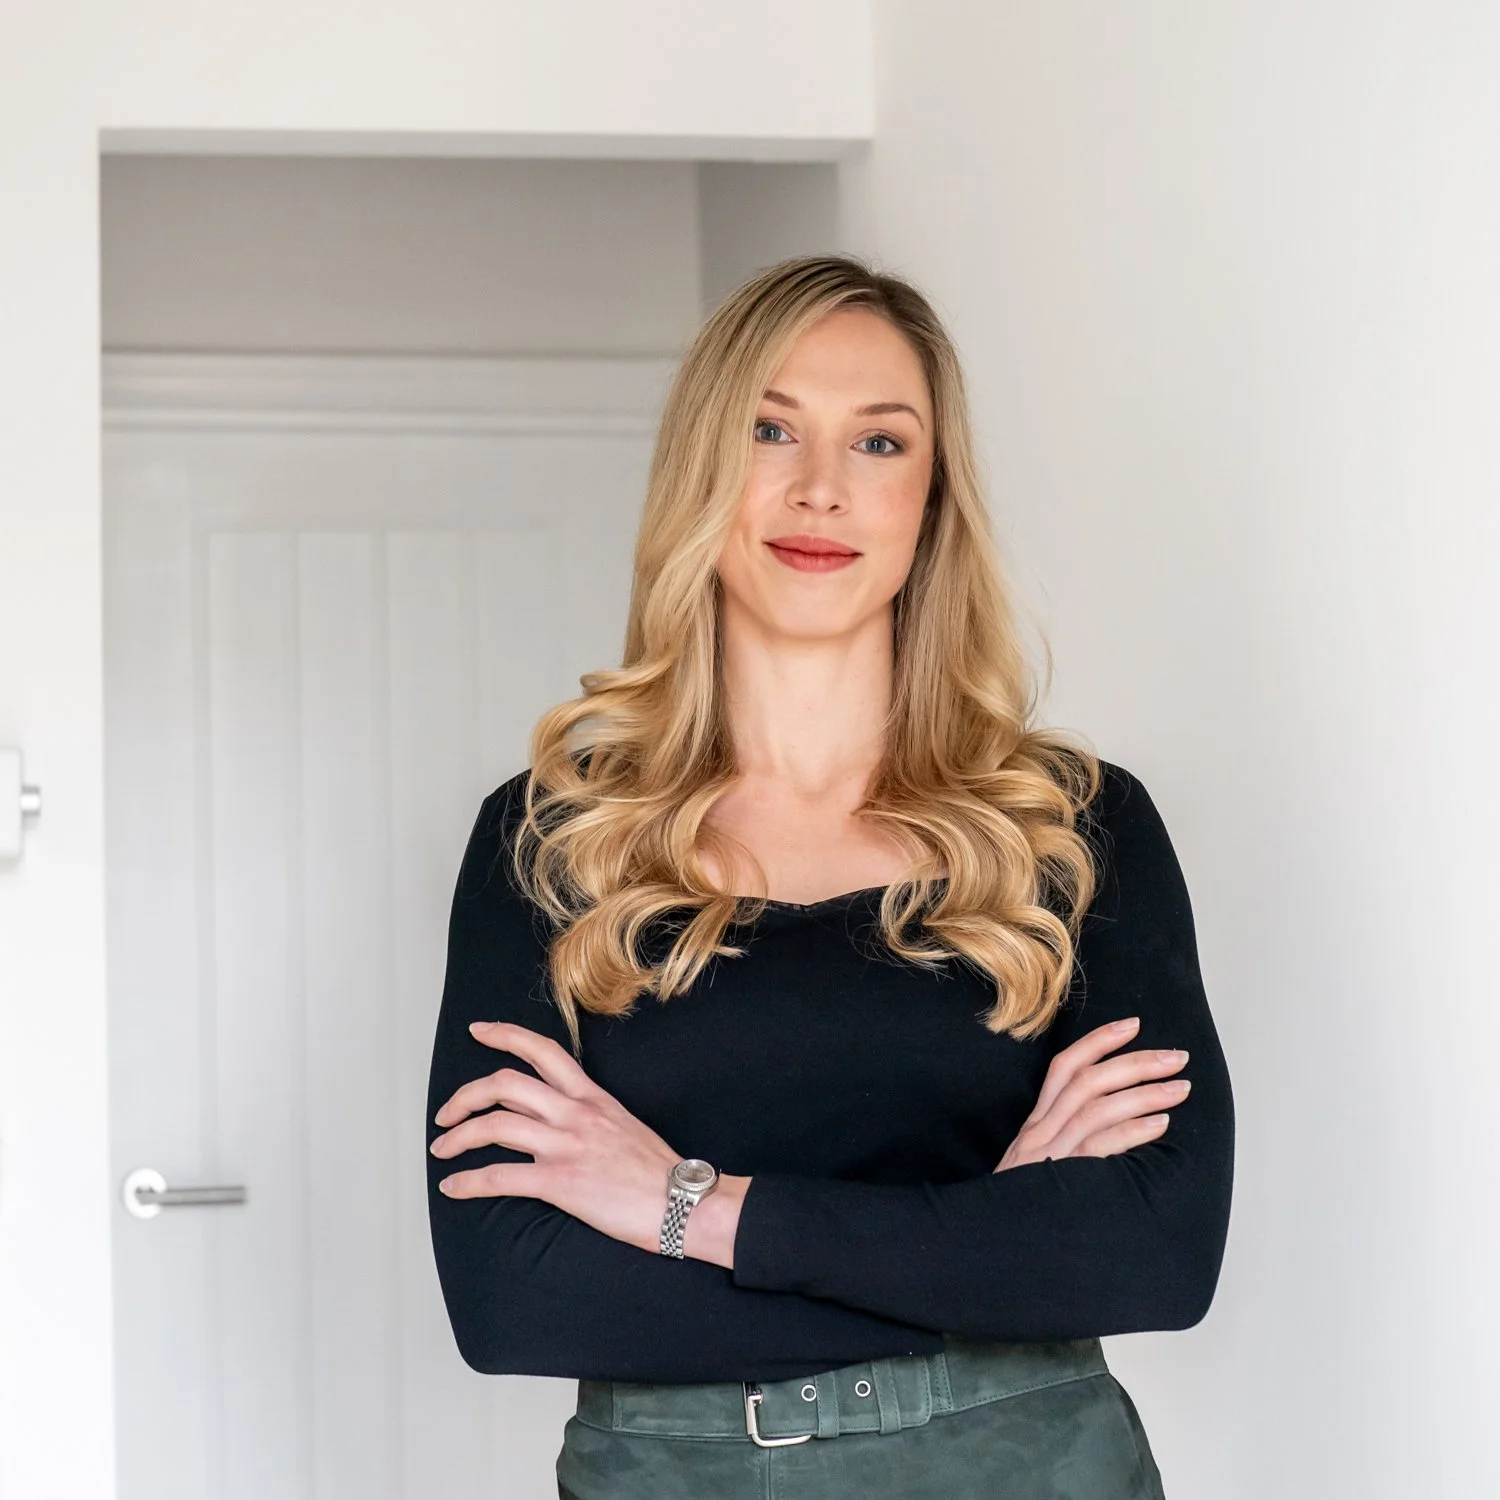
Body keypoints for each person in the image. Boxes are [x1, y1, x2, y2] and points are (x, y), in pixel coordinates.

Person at [424, 254, 1234, 1499]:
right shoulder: (553, 842)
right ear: (704, 470)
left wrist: (685, 1206)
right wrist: (985, 1241)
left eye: (879, 443)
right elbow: (512, 1298)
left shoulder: (1077, 830)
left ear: (933, 496)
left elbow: (1157, 1261)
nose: (819, 489)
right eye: (771, 429)